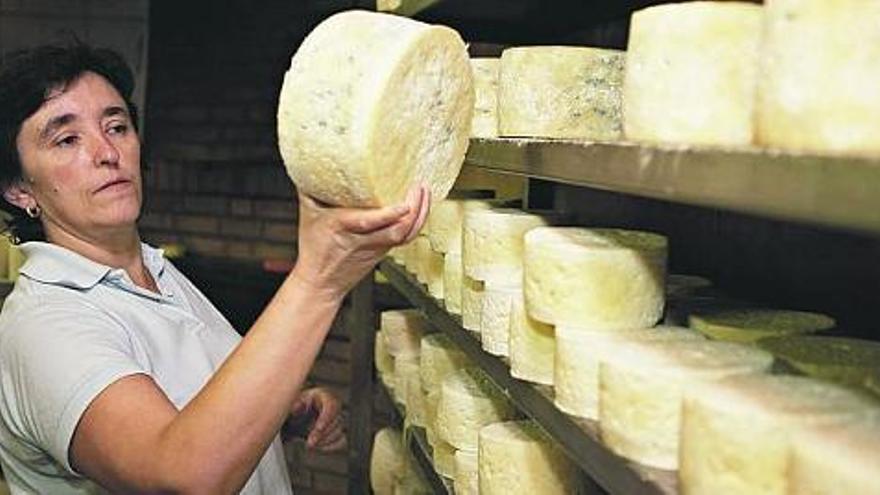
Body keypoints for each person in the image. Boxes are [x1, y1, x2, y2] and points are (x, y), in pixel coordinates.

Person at [0, 43, 429, 494]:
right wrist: (319, 281)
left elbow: (187, 415)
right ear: (18, 190)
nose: (107, 151)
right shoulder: (43, 326)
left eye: (117, 126)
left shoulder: (153, 271)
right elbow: (184, 476)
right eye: (67, 139)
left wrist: (277, 413)